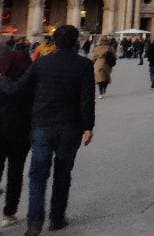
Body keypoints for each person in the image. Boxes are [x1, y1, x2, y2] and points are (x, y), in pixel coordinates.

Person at [0, 25, 95, 235]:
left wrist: (3, 79)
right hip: (70, 127)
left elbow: (18, 89)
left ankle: (34, 223)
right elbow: (87, 99)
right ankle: (57, 218)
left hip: (42, 125)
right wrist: (88, 126)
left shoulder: (41, 63)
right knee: (63, 174)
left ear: (54, 43)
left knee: (37, 175)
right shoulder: (84, 64)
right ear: (76, 42)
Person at [0, 40, 32, 228]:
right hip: (21, 132)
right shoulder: (29, 80)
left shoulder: (3, 78)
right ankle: (9, 213)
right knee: (16, 173)